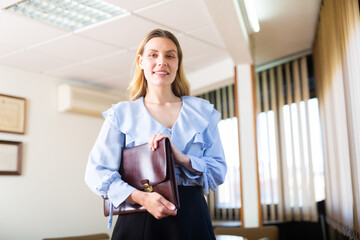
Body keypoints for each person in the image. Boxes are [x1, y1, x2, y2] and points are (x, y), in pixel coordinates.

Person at [85, 29, 227, 240]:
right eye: (153, 55)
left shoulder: (202, 112)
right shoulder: (121, 114)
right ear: (141, 61)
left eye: (170, 55)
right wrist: (142, 198)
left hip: (192, 218)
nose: (162, 62)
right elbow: (96, 173)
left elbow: (218, 171)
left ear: (178, 63)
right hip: (140, 216)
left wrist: (182, 158)